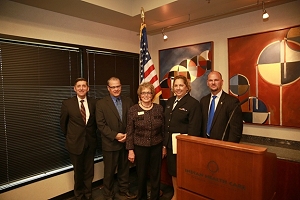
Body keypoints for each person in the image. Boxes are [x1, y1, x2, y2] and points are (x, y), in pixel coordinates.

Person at [96, 77, 136, 200]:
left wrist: (127, 136)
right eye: (113, 87)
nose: (116, 89)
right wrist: (115, 135)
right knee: (109, 171)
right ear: (108, 88)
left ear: (121, 86)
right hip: (110, 143)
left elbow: (133, 121)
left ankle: (124, 190)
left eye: (118, 86)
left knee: (124, 169)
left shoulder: (128, 101)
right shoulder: (101, 103)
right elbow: (100, 125)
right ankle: (108, 194)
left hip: (125, 142)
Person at [163, 75, 201, 200]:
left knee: (184, 172)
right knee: (173, 171)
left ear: (187, 87)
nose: (178, 88)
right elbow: (165, 124)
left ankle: (185, 195)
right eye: (176, 85)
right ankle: (177, 194)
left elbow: (194, 128)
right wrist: (164, 144)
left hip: (184, 146)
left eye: (181, 85)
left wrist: (188, 147)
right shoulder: (169, 101)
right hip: (170, 145)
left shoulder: (193, 104)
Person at [60, 77, 98, 200]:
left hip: (90, 143)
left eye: (84, 86)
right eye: (79, 86)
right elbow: (63, 124)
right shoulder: (67, 103)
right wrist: (71, 137)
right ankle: (79, 195)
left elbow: (96, 123)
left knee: (89, 171)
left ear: (88, 88)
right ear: (75, 89)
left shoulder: (94, 103)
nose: (81, 88)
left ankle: (88, 194)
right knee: (78, 172)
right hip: (75, 144)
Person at [126, 82, 165, 200]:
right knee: (141, 174)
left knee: (155, 174)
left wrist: (163, 147)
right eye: (143, 93)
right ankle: (141, 196)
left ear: (152, 94)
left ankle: (154, 196)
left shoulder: (159, 108)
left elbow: (163, 129)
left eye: (148, 92)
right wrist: (130, 150)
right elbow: (129, 131)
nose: (146, 95)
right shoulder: (133, 110)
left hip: (157, 146)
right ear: (139, 95)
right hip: (140, 147)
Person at [199, 71, 243, 142]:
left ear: (222, 82)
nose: (213, 83)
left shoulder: (232, 102)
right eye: (210, 80)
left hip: (222, 146)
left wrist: (229, 148)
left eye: (216, 80)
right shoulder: (203, 101)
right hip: (204, 143)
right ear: (207, 83)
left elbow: (236, 130)